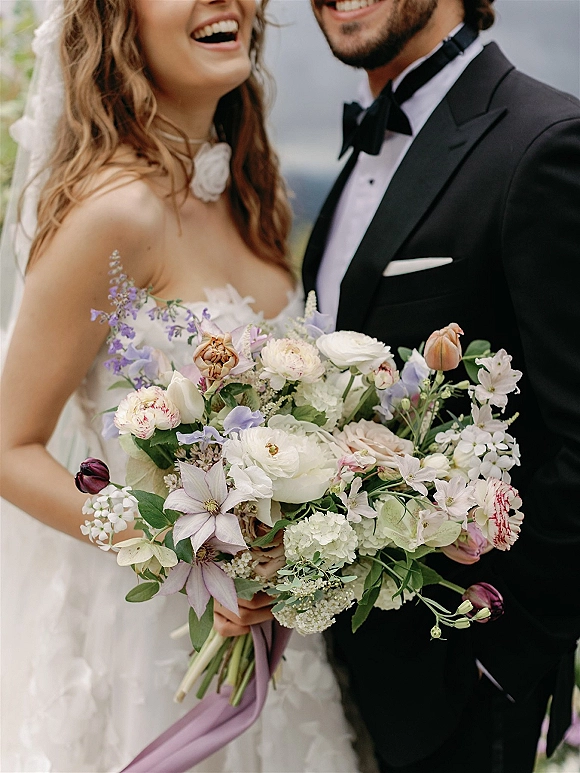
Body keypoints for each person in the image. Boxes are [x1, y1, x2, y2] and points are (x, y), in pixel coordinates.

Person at [0, 1, 358, 771]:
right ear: (116, 20)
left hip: (273, 634)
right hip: (152, 640)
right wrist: (175, 551)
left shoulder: (249, 194)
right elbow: (8, 447)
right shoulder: (113, 213)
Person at [303, 0, 580, 771]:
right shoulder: (358, 160)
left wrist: (499, 653)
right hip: (346, 680)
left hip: (464, 689)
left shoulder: (544, 141)